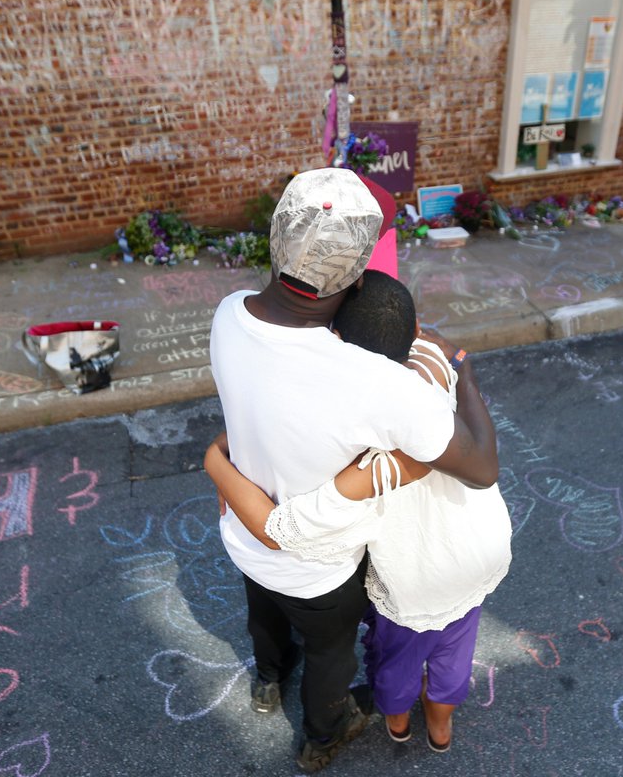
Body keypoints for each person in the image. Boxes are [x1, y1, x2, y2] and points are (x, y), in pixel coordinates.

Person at [208, 168, 498, 773]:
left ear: (274, 240)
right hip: (319, 572)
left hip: (240, 531)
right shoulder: (375, 382)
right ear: (360, 275)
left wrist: (214, 461)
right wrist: (461, 372)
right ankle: (323, 735)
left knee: (263, 616)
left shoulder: (228, 313)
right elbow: (480, 467)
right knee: (332, 658)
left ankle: (267, 680)